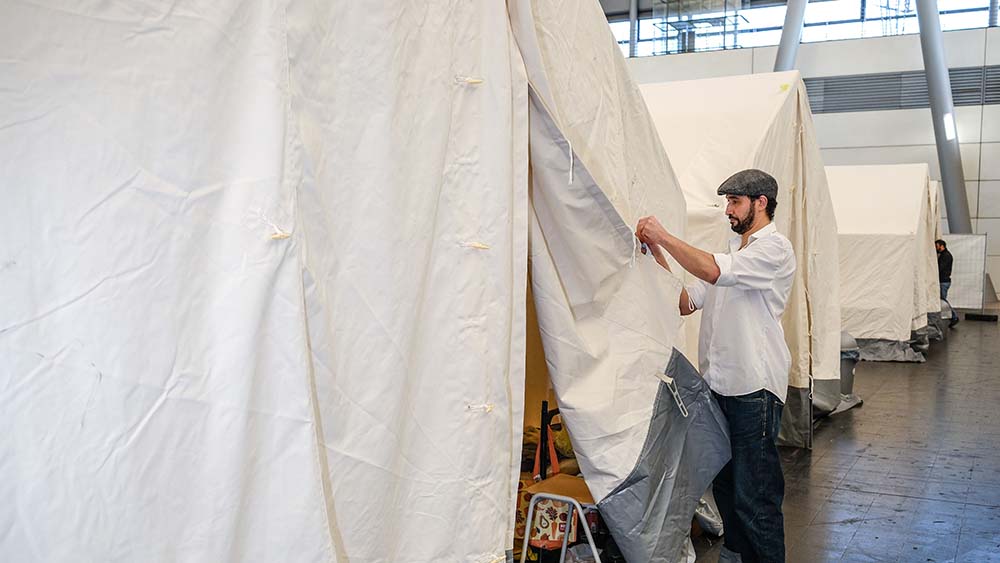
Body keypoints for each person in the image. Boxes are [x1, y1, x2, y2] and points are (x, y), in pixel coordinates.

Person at [636, 169, 795, 563]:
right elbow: (685, 302)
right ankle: (736, 555)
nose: (728, 210)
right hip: (720, 388)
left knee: (755, 495)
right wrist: (656, 254)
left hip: (754, 389)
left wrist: (664, 237)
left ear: (761, 203)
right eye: (727, 202)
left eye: (735, 202)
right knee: (726, 487)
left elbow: (713, 270)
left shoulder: (774, 250)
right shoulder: (733, 251)